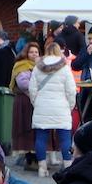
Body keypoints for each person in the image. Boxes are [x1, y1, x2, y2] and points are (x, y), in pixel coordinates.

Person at [28, 42, 79, 176]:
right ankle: (68, 166)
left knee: (40, 138)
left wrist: (36, 103)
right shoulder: (65, 67)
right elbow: (71, 90)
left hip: (42, 106)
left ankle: (42, 168)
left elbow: (32, 89)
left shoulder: (37, 67)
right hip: (61, 106)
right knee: (65, 138)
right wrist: (70, 106)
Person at [9, 41, 41, 166]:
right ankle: (29, 158)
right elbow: (23, 84)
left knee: (35, 129)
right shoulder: (21, 65)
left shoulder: (39, 65)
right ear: (26, 53)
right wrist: (39, 85)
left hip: (36, 101)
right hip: (24, 101)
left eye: (36, 52)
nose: (34, 54)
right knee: (26, 127)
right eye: (31, 52)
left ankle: (36, 157)